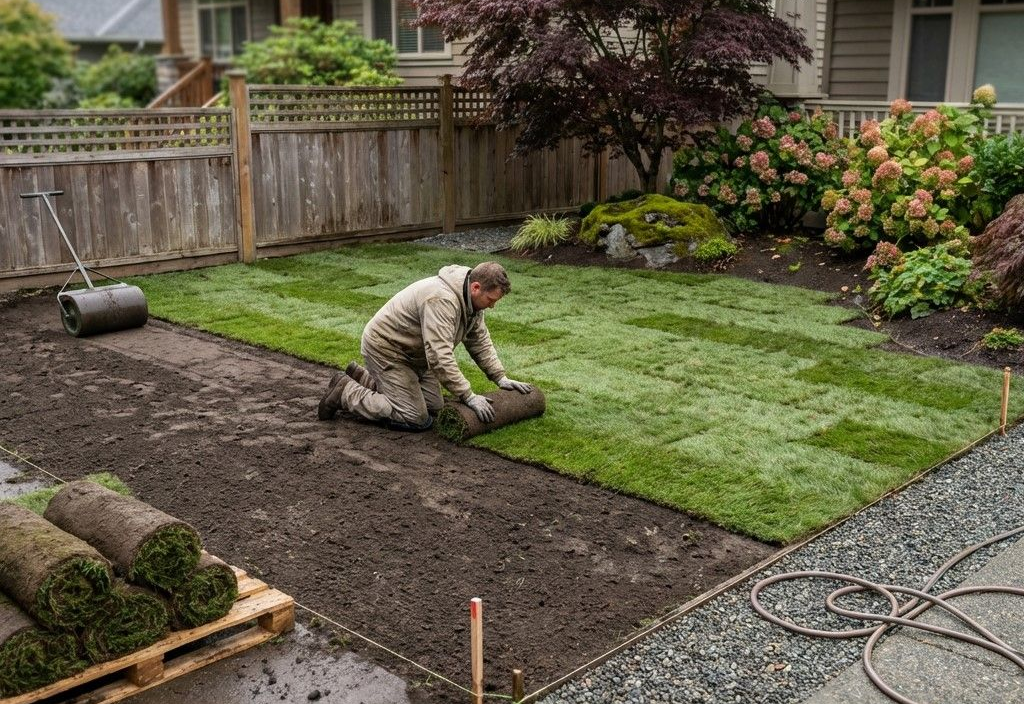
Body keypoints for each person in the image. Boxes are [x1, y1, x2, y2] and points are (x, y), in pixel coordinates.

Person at [317, 261, 533, 430]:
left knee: (434, 407)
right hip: (388, 350)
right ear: (476, 287)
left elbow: (479, 340)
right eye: (490, 299)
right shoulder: (441, 300)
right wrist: (468, 395)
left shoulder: (470, 300)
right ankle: (346, 392)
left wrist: (500, 377)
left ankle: (362, 377)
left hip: (415, 356)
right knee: (415, 417)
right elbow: (439, 356)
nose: (492, 306)